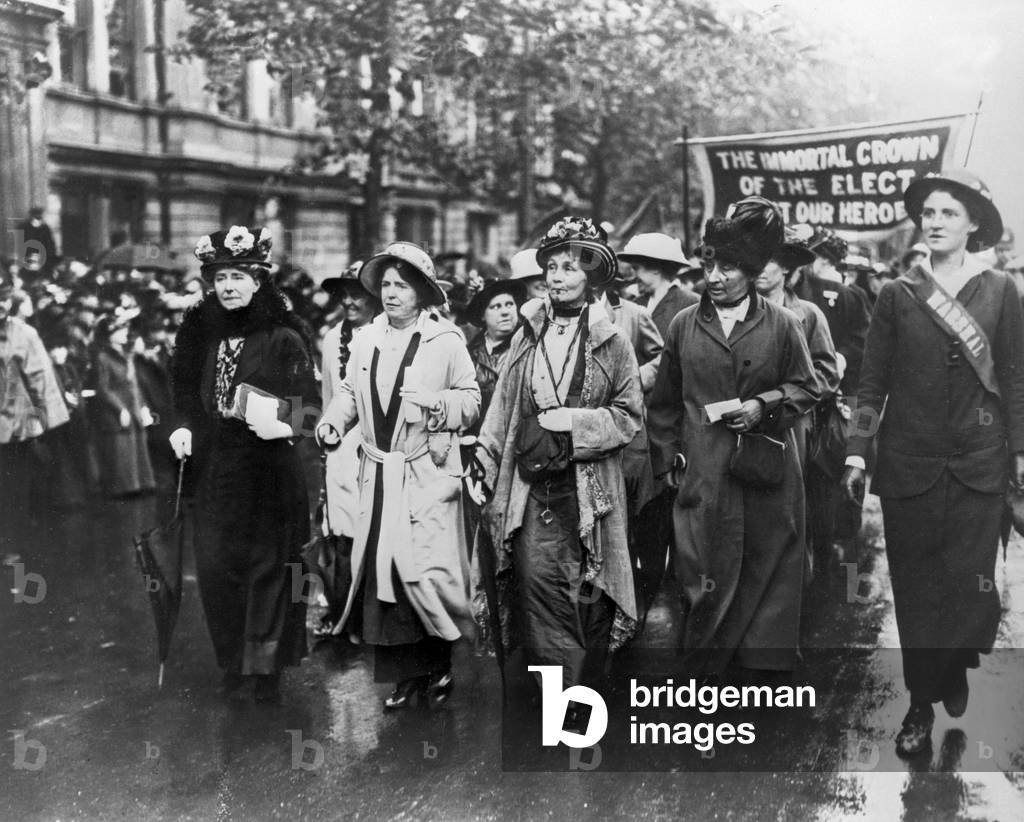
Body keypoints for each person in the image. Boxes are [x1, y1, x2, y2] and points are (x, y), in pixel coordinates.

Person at [842, 170, 1024, 757]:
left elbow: (1016, 379)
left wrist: (1020, 452)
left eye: (948, 212)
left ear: (973, 224)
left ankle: (955, 665)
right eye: (928, 212)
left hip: (979, 464)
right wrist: (855, 449)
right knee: (918, 591)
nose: (935, 221)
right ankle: (921, 702)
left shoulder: (1000, 289)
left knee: (972, 592)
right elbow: (870, 386)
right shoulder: (898, 293)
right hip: (909, 466)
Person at [474, 216, 642, 722]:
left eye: (570, 267)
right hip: (529, 487)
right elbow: (502, 408)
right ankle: (560, 696)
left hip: (588, 491)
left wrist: (576, 421)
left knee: (589, 593)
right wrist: (481, 464)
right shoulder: (526, 335)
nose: (557, 276)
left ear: (591, 278)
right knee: (537, 586)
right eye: (550, 266)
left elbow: (629, 416)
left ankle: (582, 688)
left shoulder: (613, 340)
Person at [648, 197, 819, 681]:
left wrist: (764, 405)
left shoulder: (784, 324)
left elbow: (808, 387)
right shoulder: (684, 325)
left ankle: (758, 686)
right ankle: (705, 681)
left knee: (765, 575)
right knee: (702, 577)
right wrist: (669, 462)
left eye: (728, 268)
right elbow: (663, 405)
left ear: (751, 271)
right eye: (710, 265)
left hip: (766, 474)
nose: (716, 277)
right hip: (703, 476)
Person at [316, 242, 480, 711]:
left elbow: (470, 401)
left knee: (423, 573)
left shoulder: (446, 341)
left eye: (402, 285)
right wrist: (332, 422)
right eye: (386, 284)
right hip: (378, 475)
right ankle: (405, 676)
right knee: (382, 572)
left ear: (422, 293)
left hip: (423, 474)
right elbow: (348, 390)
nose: (391, 293)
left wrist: (435, 404)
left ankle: (439, 664)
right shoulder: (367, 337)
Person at [170, 225, 319, 704]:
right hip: (216, 471)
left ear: (259, 281)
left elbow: (311, 408)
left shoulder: (284, 338)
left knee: (271, 569)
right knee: (218, 567)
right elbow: (180, 397)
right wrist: (180, 427)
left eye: (237, 275)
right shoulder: (198, 336)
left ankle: (266, 669)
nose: (228, 286)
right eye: (219, 277)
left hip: (270, 472)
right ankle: (233, 662)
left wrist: (286, 423)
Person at [755, 232, 841, 586]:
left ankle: (794, 607)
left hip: (793, 427)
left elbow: (826, 372)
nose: (759, 268)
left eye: (769, 261)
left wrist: (786, 398)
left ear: (787, 268)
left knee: (791, 516)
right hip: (742, 427)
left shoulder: (807, 314)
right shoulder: (734, 310)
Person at [314, 260, 380, 637]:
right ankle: (343, 613)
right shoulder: (330, 337)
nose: (351, 301)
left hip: (375, 448)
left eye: (359, 293)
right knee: (339, 534)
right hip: (341, 450)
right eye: (346, 294)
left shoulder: (384, 335)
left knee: (373, 531)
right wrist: (328, 438)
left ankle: (372, 615)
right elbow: (329, 399)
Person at [0, 276, 69, 563]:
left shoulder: (23, 334)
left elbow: (41, 377)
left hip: (14, 425)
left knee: (12, 488)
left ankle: (9, 546)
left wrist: (47, 422)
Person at [90, 311, 157, 497]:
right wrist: (119, 409)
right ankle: (125, 488)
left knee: (137, 446)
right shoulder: (103, 357)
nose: (124, 334)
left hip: (133, 405)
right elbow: (103, 388)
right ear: (109, 334)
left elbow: (135, 384)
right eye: (119, 331)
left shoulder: (127, 355)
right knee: (122, 449)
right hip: (118, 409)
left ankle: (141, 484)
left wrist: (143, 406)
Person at [465, 277, 526, 429]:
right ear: (482, 316)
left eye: (509, 304)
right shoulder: (469, 354)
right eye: (496, 307)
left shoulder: (529, 346)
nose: (505, 311)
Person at [619, 232, 699, 339]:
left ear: (654, 268)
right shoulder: (636, 304)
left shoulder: (691, 304)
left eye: (636, 268)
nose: (633, 277)